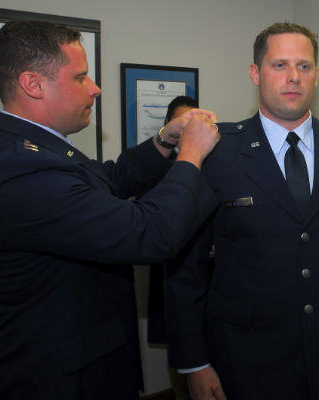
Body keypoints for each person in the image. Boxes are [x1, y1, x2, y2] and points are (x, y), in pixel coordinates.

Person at [0, 20, 220, 400]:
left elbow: (106, 180)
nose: (95, 88)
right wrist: (191, 156)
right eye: (81, 77)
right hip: (58, 383)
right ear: (33, 84)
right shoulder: (20, 170)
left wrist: (164, 141)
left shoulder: (35, 147)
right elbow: (149, 234)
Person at [165, 22, 319, 400]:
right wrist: (194, 361)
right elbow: (185, 266)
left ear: (317, 75)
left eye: (304, 67)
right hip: (245, 359)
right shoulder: (217, 151)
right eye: (279, 65)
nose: (293, 78)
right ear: (255, 73)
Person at [147, 95, 200, 400]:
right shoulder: (155, 167)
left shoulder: (212, 160)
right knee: (182, 365)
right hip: (171, 276)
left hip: (207, 281)